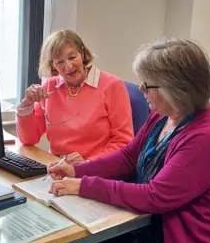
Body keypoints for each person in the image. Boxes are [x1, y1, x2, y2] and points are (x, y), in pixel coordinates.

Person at [47, 39, 210, 243]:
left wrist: (84, 186)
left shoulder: (205, 137)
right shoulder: (163, 114)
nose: (140, 89)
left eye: (148, 84)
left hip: (185, 239)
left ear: (176, 90)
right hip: (156, 221)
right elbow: (128, 157)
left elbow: (155, 196)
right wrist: (79, 171)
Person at [16, 30, 134, 164]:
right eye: (60, 62)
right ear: (52, 65)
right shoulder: (50, 86)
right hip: (58, 169)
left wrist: (88, 163)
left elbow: (124, 141)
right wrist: (27, 103)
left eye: (72, 57)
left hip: (96, 170)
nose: (68, 66)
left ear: (82, 54)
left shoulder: (112, 86)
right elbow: (28, 139)